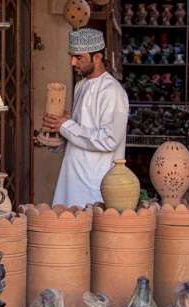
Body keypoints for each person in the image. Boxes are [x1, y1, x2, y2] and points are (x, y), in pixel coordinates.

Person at [41, 27, 129, 207]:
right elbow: (79, 129)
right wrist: (56, 129)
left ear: (97, 57)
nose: (73, 62)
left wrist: (66, 126)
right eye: (72, 56)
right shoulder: (80, 86)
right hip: (72, 177)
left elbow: (109, 139)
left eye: (79, 57)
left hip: (96, 182)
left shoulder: (112, 92)